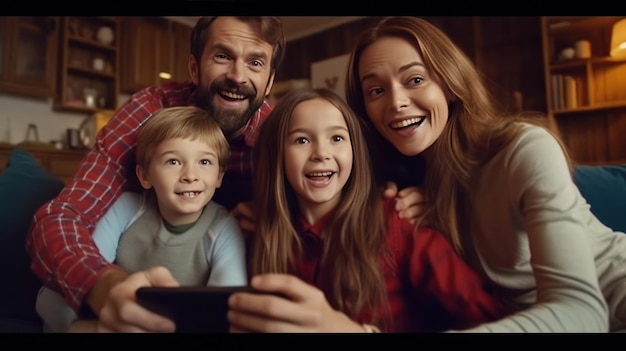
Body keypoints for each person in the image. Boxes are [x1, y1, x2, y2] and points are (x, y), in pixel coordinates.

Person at [344, 16, 626, 332]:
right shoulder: (412, 193)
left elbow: (583, 313)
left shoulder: (524, 149)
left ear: (449, 85)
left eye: (415, 80)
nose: (396, 102)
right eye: (376, 90)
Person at [26, 16, 285, 333]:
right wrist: (104, 287)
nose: (237, 76)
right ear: (194, 68)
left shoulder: (283, 135)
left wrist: (280, 220)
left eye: (255, 62)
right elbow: (61, 218)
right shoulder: (150, 112)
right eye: (222, 56)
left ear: (270, 81)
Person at [226, 87, 510, 333]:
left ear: (355, 151)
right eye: (302, 140)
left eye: (337, 138)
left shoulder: (397, 223)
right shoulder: (258, 234)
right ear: (278, 156)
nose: (321, 153)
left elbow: (489, 318)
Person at [36, 105, 248, 333]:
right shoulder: (127, 208)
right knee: (52, 297)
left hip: (173, 326)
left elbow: (226, 306)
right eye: (173, 162)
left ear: (219, 176)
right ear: (145, 176)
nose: (190, 176)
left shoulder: (224, 226)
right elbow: (88, 268)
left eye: (204, 162)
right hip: (113, 314)